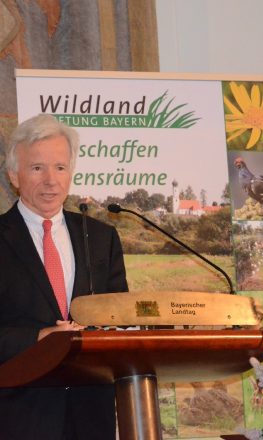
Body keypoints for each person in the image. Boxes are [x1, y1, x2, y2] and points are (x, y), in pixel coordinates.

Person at [0, 114, 128, 440]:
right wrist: (40, 338)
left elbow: (120, 319)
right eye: (37, 168)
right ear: (13, 174)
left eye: (60, 167)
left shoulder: (101, 238)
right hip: (19, 414)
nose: (51, 180)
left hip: (92, 413)